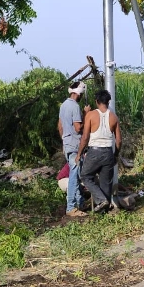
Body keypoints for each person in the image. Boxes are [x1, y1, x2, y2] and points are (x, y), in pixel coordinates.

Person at [75, 89, 122, 214]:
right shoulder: (114, 117)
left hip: (94, 151)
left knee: (85, 176)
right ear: (108, 102)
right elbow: (119, 140)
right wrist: (115, 155)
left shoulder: (91, 115)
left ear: (97, 101)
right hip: (108, 152)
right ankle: (104, 212)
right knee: (105, 183)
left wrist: (79, 153)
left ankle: (101, 200)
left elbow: (85, 137)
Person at [58, 81, 90, 217]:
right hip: (74, 145)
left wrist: (64, 141)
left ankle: (80, 202)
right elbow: (78, 128)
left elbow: (60, 126)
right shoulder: (75, 106)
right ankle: (71, 207)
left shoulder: (63, 105)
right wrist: (86, 114)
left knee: (75, 174)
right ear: (79, 94)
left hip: (67, 144)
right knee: (74, 176)